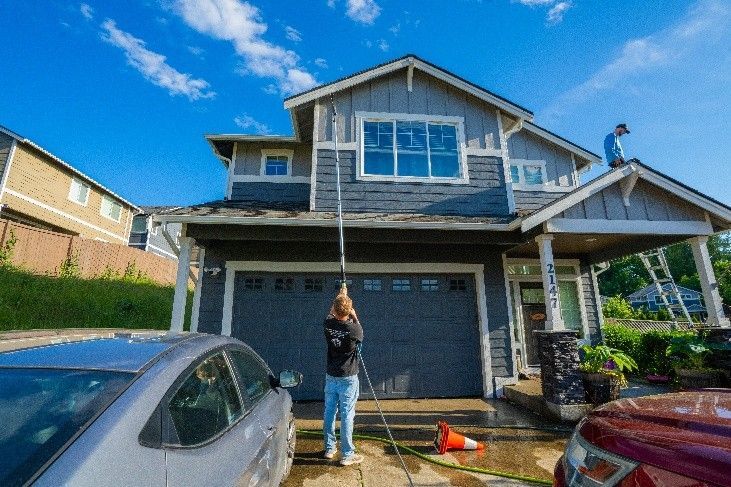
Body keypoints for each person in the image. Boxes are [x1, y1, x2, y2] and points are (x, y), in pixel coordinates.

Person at [322, 286, 364, 466]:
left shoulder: (327, 324)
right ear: (349, 311)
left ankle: (330, 448)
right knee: (347, 414)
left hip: (331, 375)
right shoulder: (354, 330)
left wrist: (341, 295)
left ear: (333, 308)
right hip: (348, 377)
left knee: (329, 412)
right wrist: (353, 314)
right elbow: (360, 332)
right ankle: (347, 454)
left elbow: (332, 313)